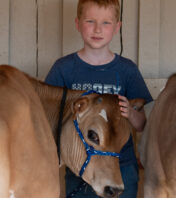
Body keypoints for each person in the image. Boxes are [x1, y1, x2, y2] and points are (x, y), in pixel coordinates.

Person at [45, 0, 153, 197]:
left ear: (117, 27)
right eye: (90, 21)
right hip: (81, 169)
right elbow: (48, 120)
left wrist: (129, 112)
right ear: (77, 24)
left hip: (122, 167)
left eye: (106, 23)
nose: (97, 29)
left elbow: (142, 125)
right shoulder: (64, 69)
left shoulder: (127, 70)